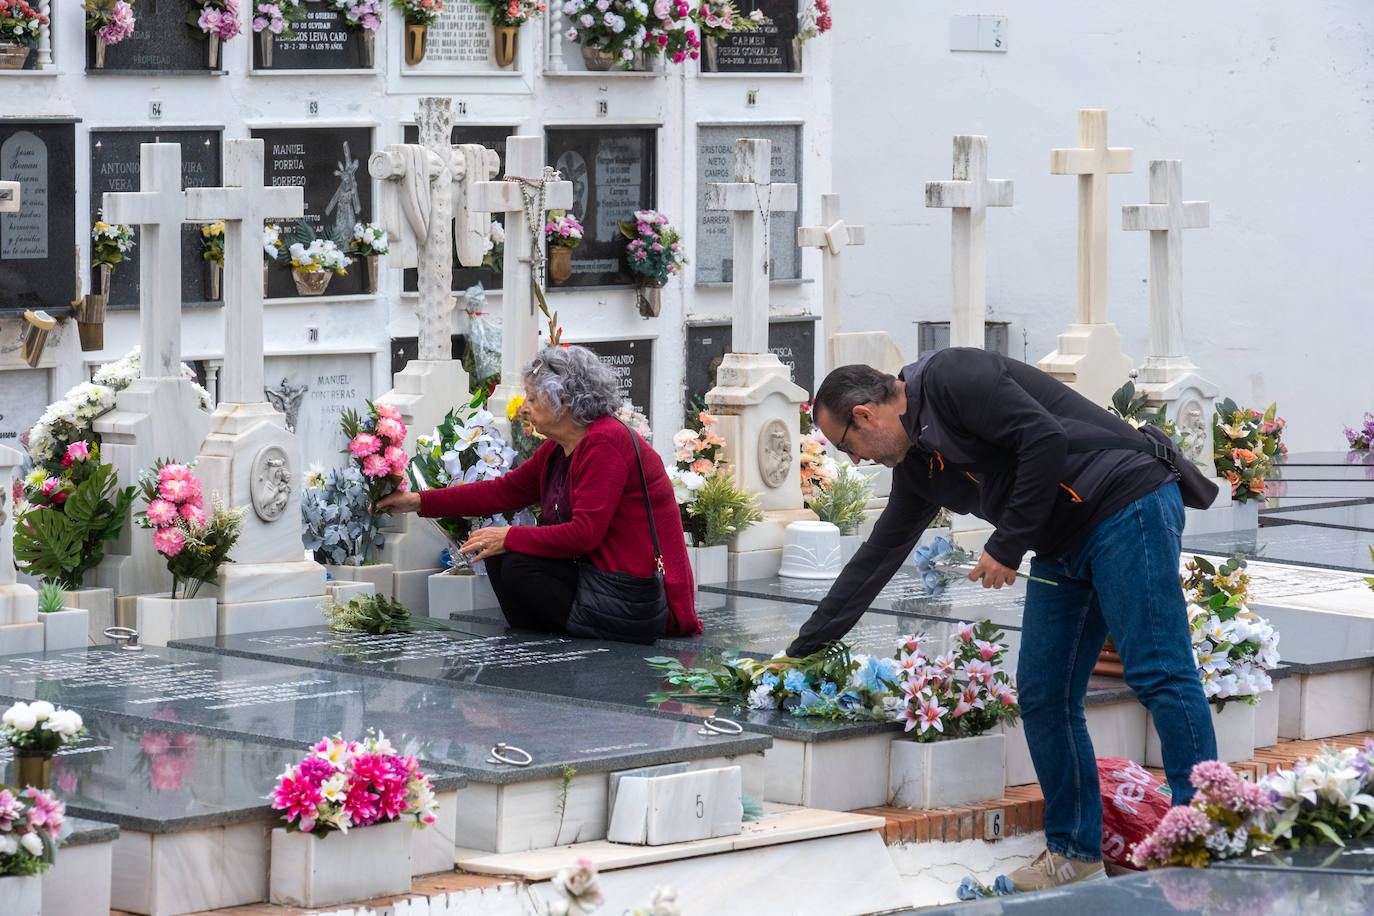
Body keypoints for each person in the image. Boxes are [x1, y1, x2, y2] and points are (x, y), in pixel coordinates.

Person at [787, 347, 1216, 892]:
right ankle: (1075, 853)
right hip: (1063, 541)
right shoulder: (919, 466)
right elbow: (878, 556)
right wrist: (803, 648)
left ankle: (1202, 841)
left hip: (1124, 502)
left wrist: (1007, 546)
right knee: (1043, 694)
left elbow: (1044, 439)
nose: (856, 460)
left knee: (1160, 671)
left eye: (847, 445)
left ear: (866, 414)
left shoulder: (951, 377)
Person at [379, 345, 701, 642]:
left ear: (561, 399)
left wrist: (508, 535)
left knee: (516, 562)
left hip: (632, 596)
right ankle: (535, 645)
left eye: (532, 399)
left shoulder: (605, 442)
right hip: (597, 580)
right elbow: (502, 492)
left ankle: (560, 644)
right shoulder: (558, 449)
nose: (525, 409)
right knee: (499, 557)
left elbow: (584, 535)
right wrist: (417, 501)